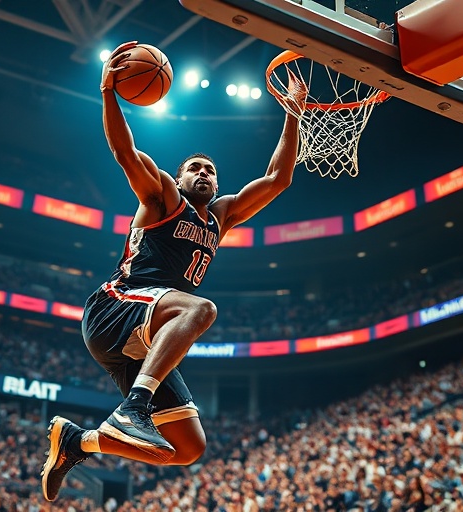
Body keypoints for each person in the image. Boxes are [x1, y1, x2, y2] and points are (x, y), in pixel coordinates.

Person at [40, 41, 307, 502]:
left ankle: (76, 442)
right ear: (179, 178)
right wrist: (108, 93)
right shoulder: (163, 197)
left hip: (143, 335)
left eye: (210, 170)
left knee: (186, 449)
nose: (203, 173)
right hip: (115, 309)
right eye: (194, 168)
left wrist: (293, 113)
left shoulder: (220, 216)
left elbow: (278, 179)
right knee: (201, 308)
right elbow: (126, 153)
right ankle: (135, 406)